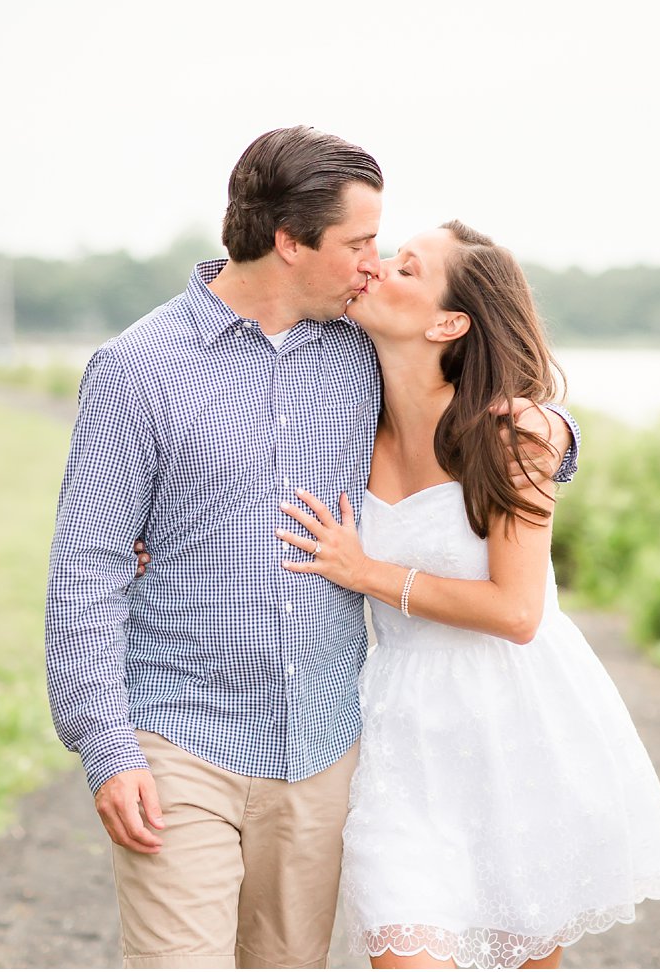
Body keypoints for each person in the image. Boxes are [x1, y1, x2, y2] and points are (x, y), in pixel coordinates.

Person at [45, 127, 579, 969]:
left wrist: (555, 430)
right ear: (290, 244)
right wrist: (107, 747)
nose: (374, 264)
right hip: (181, 736)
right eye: (361, 245)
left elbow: (467, 387)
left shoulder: (361, 352)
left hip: (325, 748)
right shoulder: (136, 370)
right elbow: (86, 567)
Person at [275, 220, 660, 969]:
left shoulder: (513, 437)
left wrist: (367, 573)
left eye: (406, 268)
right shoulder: (344, 425)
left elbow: (517, 612)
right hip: (399, 729)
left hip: (515, 724)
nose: (377, 268)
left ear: (448, 322)